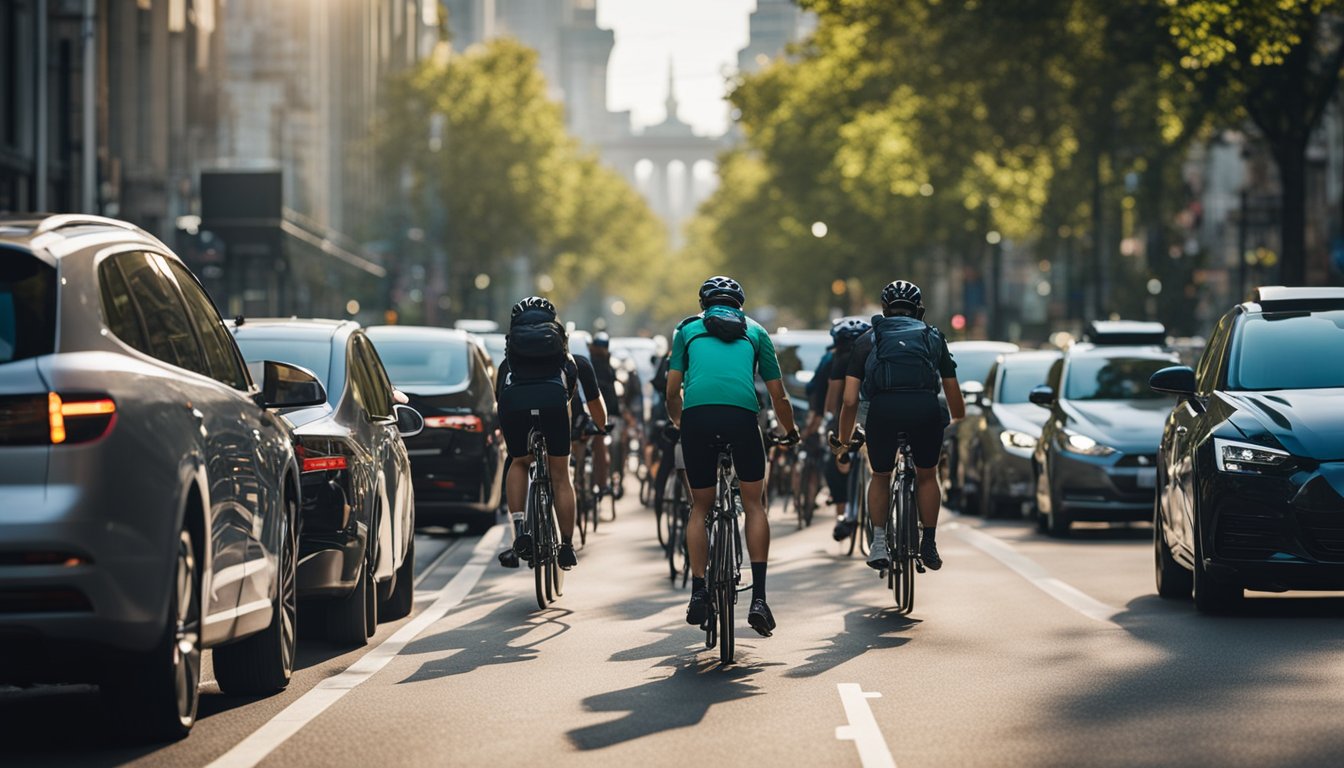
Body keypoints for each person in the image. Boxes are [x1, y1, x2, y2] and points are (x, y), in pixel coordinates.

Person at [666, 276, 799, 638]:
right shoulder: (756, 332)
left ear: (703, 303)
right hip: (741, 419)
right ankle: (759, 599)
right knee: (754, 505)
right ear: (740, 304)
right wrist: (789, 432)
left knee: (700, 506)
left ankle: (698, 591)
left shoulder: (686, 330)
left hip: (697, 419)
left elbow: (672, 390)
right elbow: (778, 395)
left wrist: (682, 423)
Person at [831, 281, 964, 571]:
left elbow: (850, 399)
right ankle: (928, 541)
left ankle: (879, 541)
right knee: (927, 476)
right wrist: (956, 421)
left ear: (884, 309)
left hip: (883, 412)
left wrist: (843, 441)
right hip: (924, 409)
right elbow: (953, 393)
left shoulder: (867, 340)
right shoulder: (933, 337)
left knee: (880, 475)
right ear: (919, 310)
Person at [494, 297, 606, 572]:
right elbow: (595, 406)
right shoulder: (572, 361)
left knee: (519, 461)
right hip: (554, 408)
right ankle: (566, 546)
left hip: (515, 408)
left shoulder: (508, 364)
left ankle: (520, 529)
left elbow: (499, 400)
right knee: (560, 475)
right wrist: (601, 428)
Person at [819, 316, 871, 541]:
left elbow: (833, 402)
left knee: (837, 459)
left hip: (848, 415)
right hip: (873, 413)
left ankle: (844, 513)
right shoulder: (874, 351)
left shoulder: (839, 360)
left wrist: (829, 420)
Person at [588, 332, 620, 493]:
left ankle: (602, 483)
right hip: (595, 410)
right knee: (600, 442)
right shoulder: (589, 363)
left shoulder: (599, 364)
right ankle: (602, 484)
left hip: (598, 411)